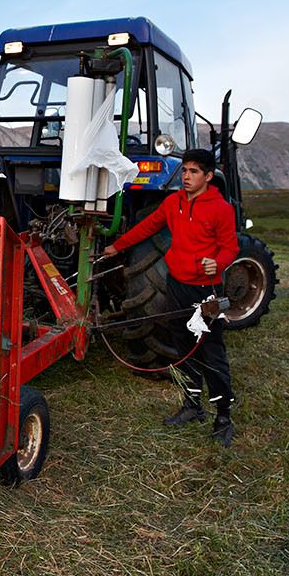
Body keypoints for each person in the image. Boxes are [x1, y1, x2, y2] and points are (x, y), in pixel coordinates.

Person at [101, 148, 241, 445]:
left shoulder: (221, 209)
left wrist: (219, 262)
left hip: (205, 291)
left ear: (208, 176)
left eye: (193, 172)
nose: (186, 177)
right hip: (176, 284)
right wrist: (118, 246)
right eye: (185, 171)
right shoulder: (173, 202)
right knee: (183, 348)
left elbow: (231, 247)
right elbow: (147, 227)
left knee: (211, 352)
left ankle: (223, 417)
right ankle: (192, 406)